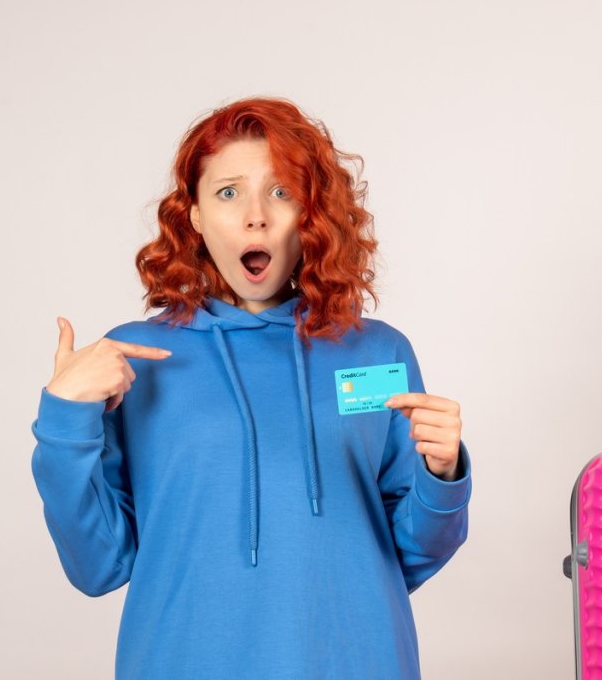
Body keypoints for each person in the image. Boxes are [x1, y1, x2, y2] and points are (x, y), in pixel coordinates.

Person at [29, 97, 472, 679]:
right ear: (194, 216)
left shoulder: (376, 351)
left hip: (357, 661)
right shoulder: (136, 358)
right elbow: (97, 566)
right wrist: (64, 418)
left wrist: (442, 478)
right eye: (229, 192)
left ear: (312, 214)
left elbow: (408, 554)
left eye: (282, 192)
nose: (255, 216)